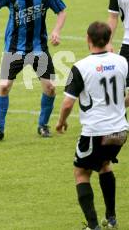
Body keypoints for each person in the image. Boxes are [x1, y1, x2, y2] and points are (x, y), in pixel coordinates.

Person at [0, 0, 67, 142]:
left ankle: (43, 125)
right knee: (3, 86)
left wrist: (56, 31)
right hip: (14, 49)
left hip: (39, 49)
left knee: (50, 88)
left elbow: (62, 10)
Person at [55, 22, 128, 230]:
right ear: (108, 39)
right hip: (120, 131)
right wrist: (117, 105)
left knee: (81, 173)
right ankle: (111, 219)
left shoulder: (80, 67)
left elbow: (68, 102)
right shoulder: (122, 61)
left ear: (88, 39)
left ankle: (93, 225)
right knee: (104, 165)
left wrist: (61, 122)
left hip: (96, 132)